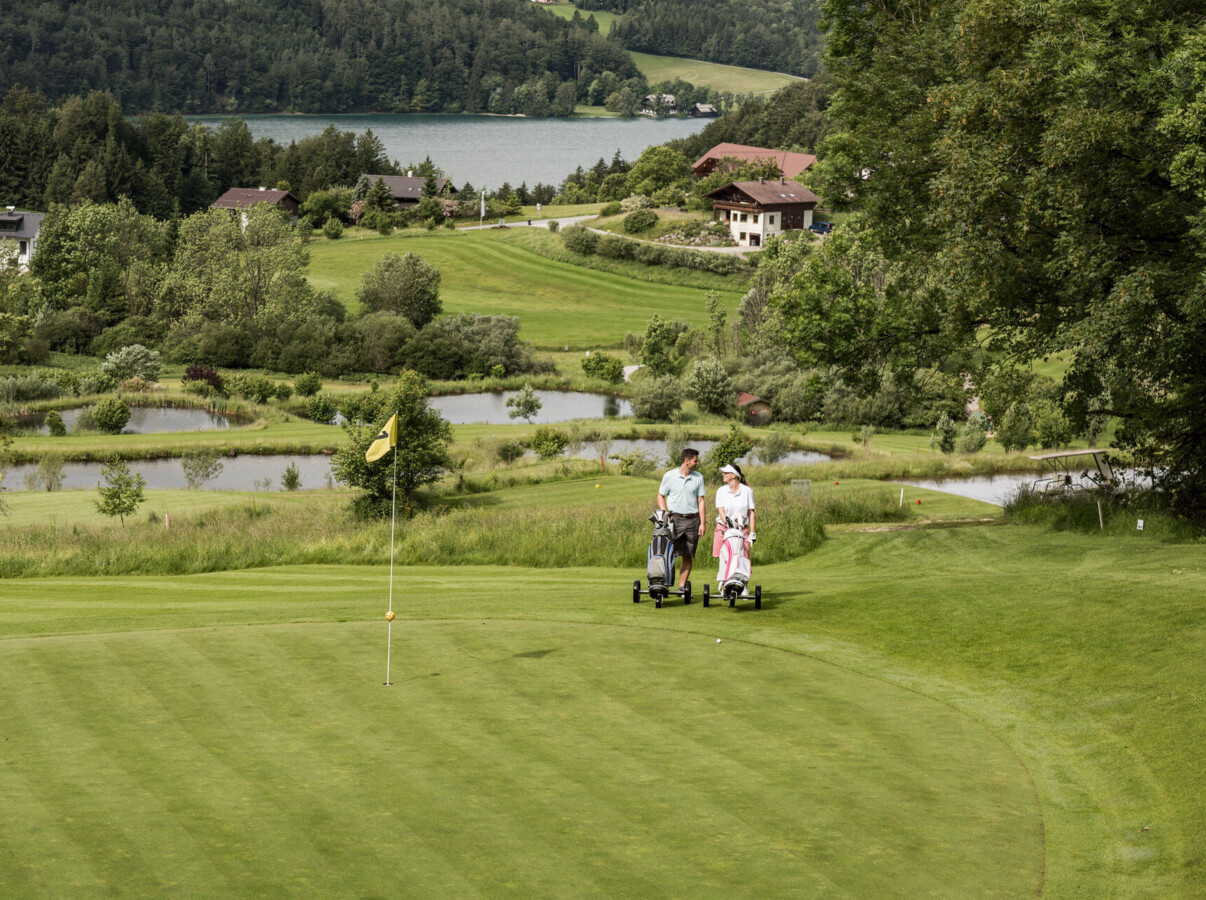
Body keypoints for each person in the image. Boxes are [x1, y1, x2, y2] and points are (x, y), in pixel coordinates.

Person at [656, 448, 707, 590]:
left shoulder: (698, 478)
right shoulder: (669, 476)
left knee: (688, 554)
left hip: (693, 520)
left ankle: (681, 586)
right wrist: (664, 511)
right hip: (674, 519)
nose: (697, 463)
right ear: (687, 461)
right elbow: (660, 495)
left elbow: (701, 501)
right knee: (668, 552)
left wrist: (703, 523)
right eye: (695, 461)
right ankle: (663, 582)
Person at [713, 463, 756, 594]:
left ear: (734, 475)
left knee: (743, 557)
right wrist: (728, 524)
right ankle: (726, 585)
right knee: (725, 557)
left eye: (726, 473)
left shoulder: (747, 491)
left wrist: (753, 532)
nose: (723, 475)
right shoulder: (721, 491)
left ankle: (743, 587)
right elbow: (721, 510)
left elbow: (751, 512)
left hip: (742, 530)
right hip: (724, 529)